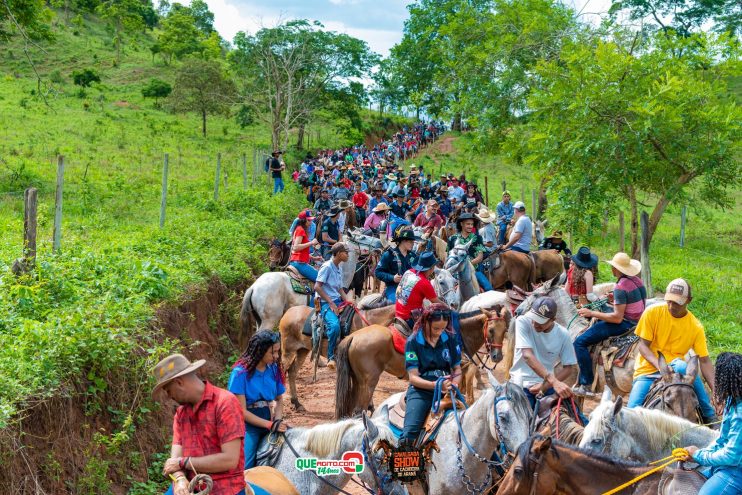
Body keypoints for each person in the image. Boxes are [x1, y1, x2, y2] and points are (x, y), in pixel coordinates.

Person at [626, 278, 718, 423]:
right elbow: (643, 346)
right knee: (631, 414)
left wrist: (716, 391)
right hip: (648, 370)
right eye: (669, 300)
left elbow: (705, 361)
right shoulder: (652, 312)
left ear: (689, 300)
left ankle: (709, 415)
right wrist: (660, 366)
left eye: (676, 302)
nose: (671, 305)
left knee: (682, 366)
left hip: (677, 370)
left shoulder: (695, 327)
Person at [154, 354, 245, 495]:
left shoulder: (225, 403)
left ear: (179, 382)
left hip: (225, 487)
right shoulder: (180, 414)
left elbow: (230, 460)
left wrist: (183, 463)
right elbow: (175, 459)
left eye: (168, 390)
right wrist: (179, 479)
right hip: (190, 484)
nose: (168, 396)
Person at [573, 252, 647, 395]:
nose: (612, 269)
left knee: (579, 342)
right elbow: (632, 302)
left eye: (614, 267)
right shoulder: (637, 281)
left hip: (624, 324)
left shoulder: (620, 286)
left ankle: (586, 384)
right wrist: (615, 300)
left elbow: (617, 318)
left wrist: (591, 313)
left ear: (619, 269)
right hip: (638, 321)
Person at [400, 304, 462, 447]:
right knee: (409, 435)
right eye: (435, 328)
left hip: (448, 391)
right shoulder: (413, 342)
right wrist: (436, 385)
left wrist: (455, 384)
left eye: (442, 328)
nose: (439, 332)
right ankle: (403, 462)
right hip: (421, 391)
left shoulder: (450, 339)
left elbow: (457, 370)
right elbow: (413, 378)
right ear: (426, 322)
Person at [682, 352, 742, 494]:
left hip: (736, 472)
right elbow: (722, 439)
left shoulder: (740, 414)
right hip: (726, 466)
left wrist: (698, 456)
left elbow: (732, 456)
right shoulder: (732, 401)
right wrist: (702, 453)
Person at [228, 331, 288, 469]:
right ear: (260, 351)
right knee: (246, 467)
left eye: (278, 352)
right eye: (272, 353)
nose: (276, 356)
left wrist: (277, 420)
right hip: (249, 426)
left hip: (270, 419)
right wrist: (269, 425)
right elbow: (241, 411)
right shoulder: (239, 373)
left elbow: (279, 399)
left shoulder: (274, 369)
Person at [509, 297, 578, 409]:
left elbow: (568, 367)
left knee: (576, 415)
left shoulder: (563, 334)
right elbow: (527, 355)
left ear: (553, 319)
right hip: (521, 383)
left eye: (541, 321)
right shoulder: (522, 321)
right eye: (534, 318)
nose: (535, 324)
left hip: (546, 385)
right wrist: (554, 382)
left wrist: (545, 386)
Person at [314, 243, 352, 370]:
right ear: (339, 253)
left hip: (337, 300)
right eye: (346, 252)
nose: (347, 255)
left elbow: (340, 289)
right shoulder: (327, 267)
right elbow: (317, 287)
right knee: (335, 326)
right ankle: (330, 357)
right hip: (325, 302)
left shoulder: (338, 267)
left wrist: (348, 300)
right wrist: (330, 303)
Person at [447, 213, 493, 292]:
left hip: (473, 271)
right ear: (461, 224)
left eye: (472, 224)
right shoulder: (452, 238)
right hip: (455, 272)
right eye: (468, 224)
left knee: (489, 288)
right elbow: (447, 257)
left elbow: (480, 257)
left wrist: (465, 265)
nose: (470, 226)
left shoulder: (477, 238)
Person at [395, 252, 442, 330]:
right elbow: (437, 302)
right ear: (431, 268)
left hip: (397, 310)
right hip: (410, 318)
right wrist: (450, 309)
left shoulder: (408, 272)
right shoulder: (425, 283)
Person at [375, 229, 418, 303]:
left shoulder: (413, 256)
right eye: (411, 242)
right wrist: (392, 278)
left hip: (411, 288)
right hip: (393, 287)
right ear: (403, 241)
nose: (413, 244)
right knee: (397, 304)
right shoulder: (388, 255)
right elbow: (378, 272)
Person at [288, 210, 320, 282]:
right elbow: (296, 247)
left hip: (296, 261)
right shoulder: (301, 230)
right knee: (320, 280)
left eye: (311, 220)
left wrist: (313, 258)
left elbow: (300, 251)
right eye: (309, 220)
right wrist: (311, 242)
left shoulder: (298, 229)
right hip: (299, 263)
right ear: (303, 220)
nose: (311, 222)